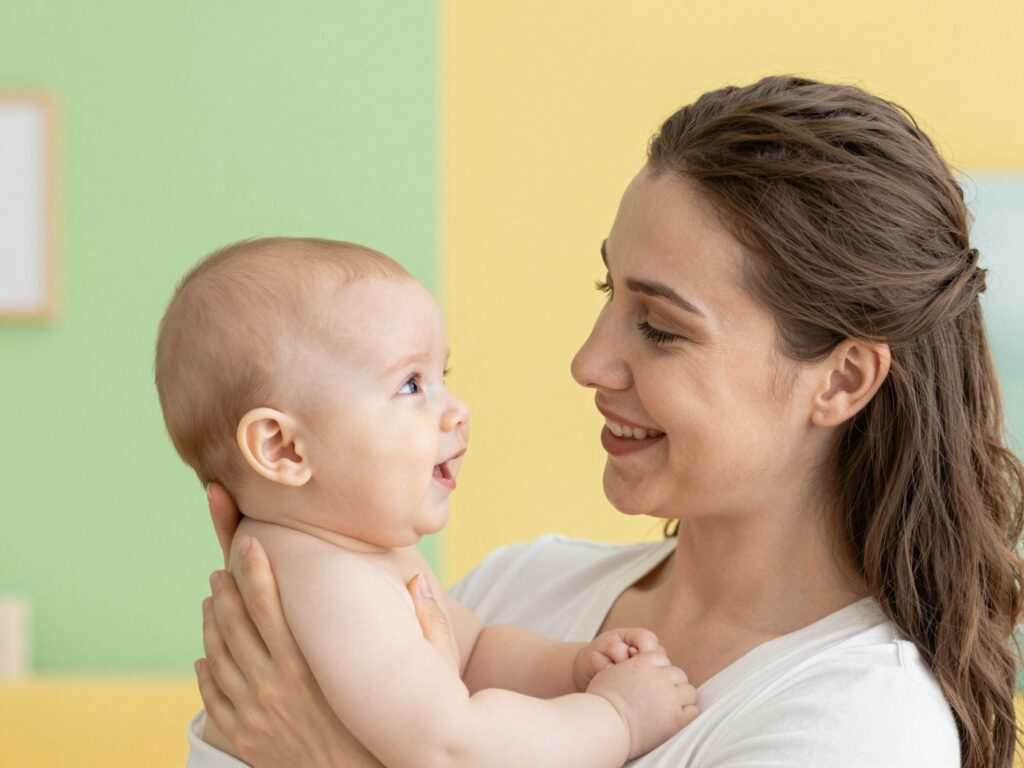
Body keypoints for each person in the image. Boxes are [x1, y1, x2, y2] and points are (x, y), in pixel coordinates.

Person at [192, 77, 1024, 767]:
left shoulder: (857, 725)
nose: (589, 363)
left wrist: (327, 758)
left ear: (841, 380)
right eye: (608, 297)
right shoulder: (519, 589)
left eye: (659, 329)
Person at [155, 238, 699, 768]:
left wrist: (572, 667)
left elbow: (477, 651)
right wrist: (617, 714)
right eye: (411, 385)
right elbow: (453, 749)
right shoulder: (329, 581)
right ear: (283, 447)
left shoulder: (352, 555)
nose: (456, 409)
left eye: (444, 376)